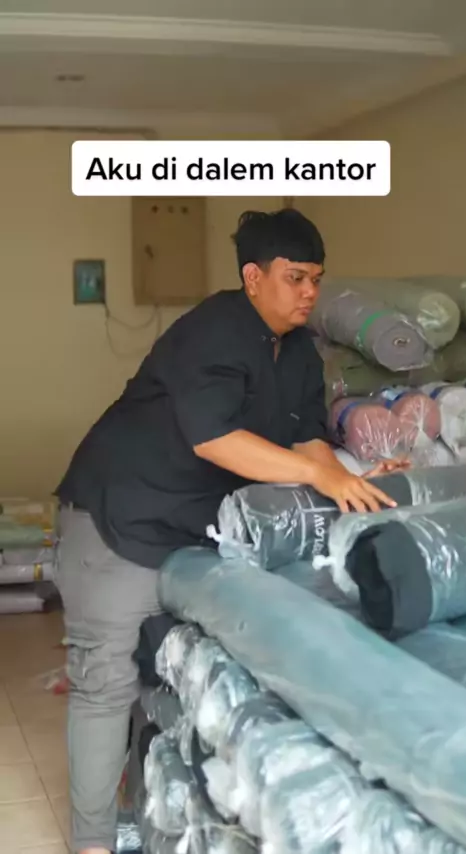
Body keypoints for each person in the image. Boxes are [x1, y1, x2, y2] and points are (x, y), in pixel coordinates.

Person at [55, 207, 404, 854]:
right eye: (294, 277)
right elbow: (215, 438)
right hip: (117, 518)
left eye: (316, 279)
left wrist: (354, 479)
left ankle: (147, 807)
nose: (309, 292)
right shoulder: (212, 331)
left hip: (190, 528)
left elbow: (308, 442)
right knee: (104, 682)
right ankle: (93, 842)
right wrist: (319, 475)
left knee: (168, 670)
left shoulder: (298, 352)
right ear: (253, 277)